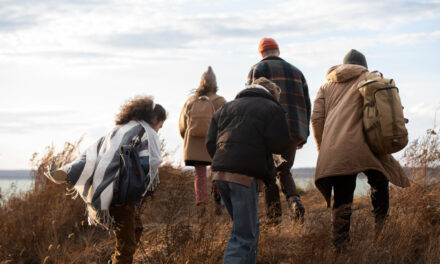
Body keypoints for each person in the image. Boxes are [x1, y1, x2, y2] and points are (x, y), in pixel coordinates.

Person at [46, 96, 167, 264]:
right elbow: (151, 163)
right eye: (160, 126)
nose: (158, 130)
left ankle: (113, 261)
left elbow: (91, 156)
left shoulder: (117, 130)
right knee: (127, 247)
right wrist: (148, 186)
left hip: (107, 192)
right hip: (123, 196)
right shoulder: (147, 132)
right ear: (156, 119)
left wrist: (68, 171)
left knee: (135, 230)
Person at [311, 49, 410, 250]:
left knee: (342, 195)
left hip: (338, 147)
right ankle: (381, 234)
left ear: (343, 65)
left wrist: (324, 148)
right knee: (379, 183)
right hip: (370, 145)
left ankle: (340, 245)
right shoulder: (373, 78)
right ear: (363, 64)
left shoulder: (326, 86)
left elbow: (316, 119)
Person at [206, 77, 290, 263]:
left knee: (248, 229)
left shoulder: (226, 108)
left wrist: (224, 160)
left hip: (220, 174)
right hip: (243, 177)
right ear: (272, 95)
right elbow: (281, 143)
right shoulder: (271, 108)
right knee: (244, 235)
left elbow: (210, 142)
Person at [246, 37, 310, 222]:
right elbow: (307, 103)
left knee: (269, 174)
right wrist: (302, 135)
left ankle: (274, 218)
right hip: (294, 129)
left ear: (261, 53)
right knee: (284, 168)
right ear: (278, 51)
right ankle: (294, 200)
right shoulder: (297, 72)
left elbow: (249, 100)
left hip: (269, 129)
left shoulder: (257, 70)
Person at [179, 66, 226, 210]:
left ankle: (201, 205)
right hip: (215, 144)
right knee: (216, 172)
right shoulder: (220, 101)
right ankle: (217, 202)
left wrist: (187, 139)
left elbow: (182, 125)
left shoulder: (191, 100)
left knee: (199, 175)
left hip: (194, 144)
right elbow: (226, 124)